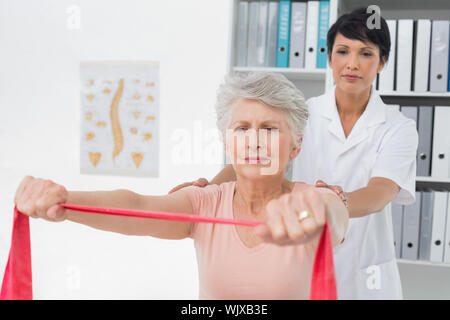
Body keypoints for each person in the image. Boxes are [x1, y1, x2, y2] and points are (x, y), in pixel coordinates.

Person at [13, 72, 349, 300]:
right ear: (227, 143)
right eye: (242, 128)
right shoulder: (204, 203)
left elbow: (332, 212)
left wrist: (313, 212)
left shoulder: (312, 198)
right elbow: (137, 206)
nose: (254, 142)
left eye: (270, 129)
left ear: (296, 146)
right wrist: (66, 202)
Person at [169, 8, 418, 299]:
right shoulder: (302, 113)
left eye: (365, 53)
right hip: (297, 254)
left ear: (382, 62)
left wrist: (334, 204)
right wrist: (207, 193)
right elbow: (249, 158)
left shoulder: (398, 127)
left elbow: (382, 191)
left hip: (364, 270)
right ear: (329, 58)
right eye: (343, 51)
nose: (352, 64)